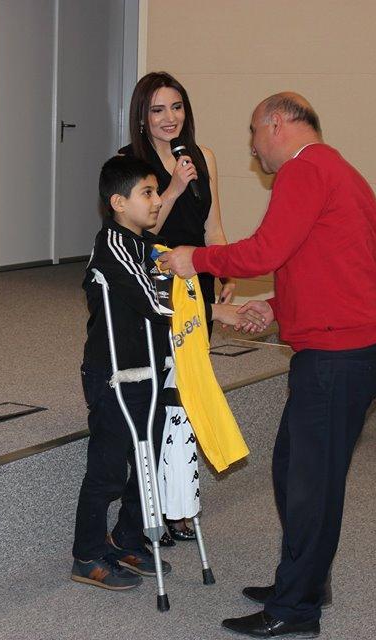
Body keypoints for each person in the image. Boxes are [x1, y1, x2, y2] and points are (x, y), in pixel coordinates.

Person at [159, 93, 376, 637]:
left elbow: (265, 251)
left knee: (311, 487)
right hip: (348, 351)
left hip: (337, 357)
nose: (251, 145)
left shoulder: (303, 170)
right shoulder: (339, 171)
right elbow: (340, 259)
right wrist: (278, 306)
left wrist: (196, 260)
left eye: (253, 131)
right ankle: (307, 582)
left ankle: (296, 610)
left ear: (277, 123)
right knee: (293, 469)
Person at [72, 155, 251, 590]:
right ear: (118, 203)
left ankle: (127, 538)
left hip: (151, 371)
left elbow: (177, 289)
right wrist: (216, 312)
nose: (157, 202)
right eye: (148, 193)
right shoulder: (112, 247)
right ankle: (87, 554)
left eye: (156, 192)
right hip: (114, 376)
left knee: (147, 464)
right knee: (108, 470)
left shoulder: (150, 246)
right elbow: (156, 302)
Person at [122, 70, 236, 543]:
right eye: (157, 110)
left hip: (198, 280)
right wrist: (170, 188)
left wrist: (225, 268)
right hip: (157, 283)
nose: (169, 118)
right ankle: (152, 506)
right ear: (142, 117)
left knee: (186, 395)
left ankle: (180, 504)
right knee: (158, 398)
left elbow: (213, 226)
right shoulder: (129, 163)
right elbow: (139, 231)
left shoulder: (202, 156)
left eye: (176, 107)